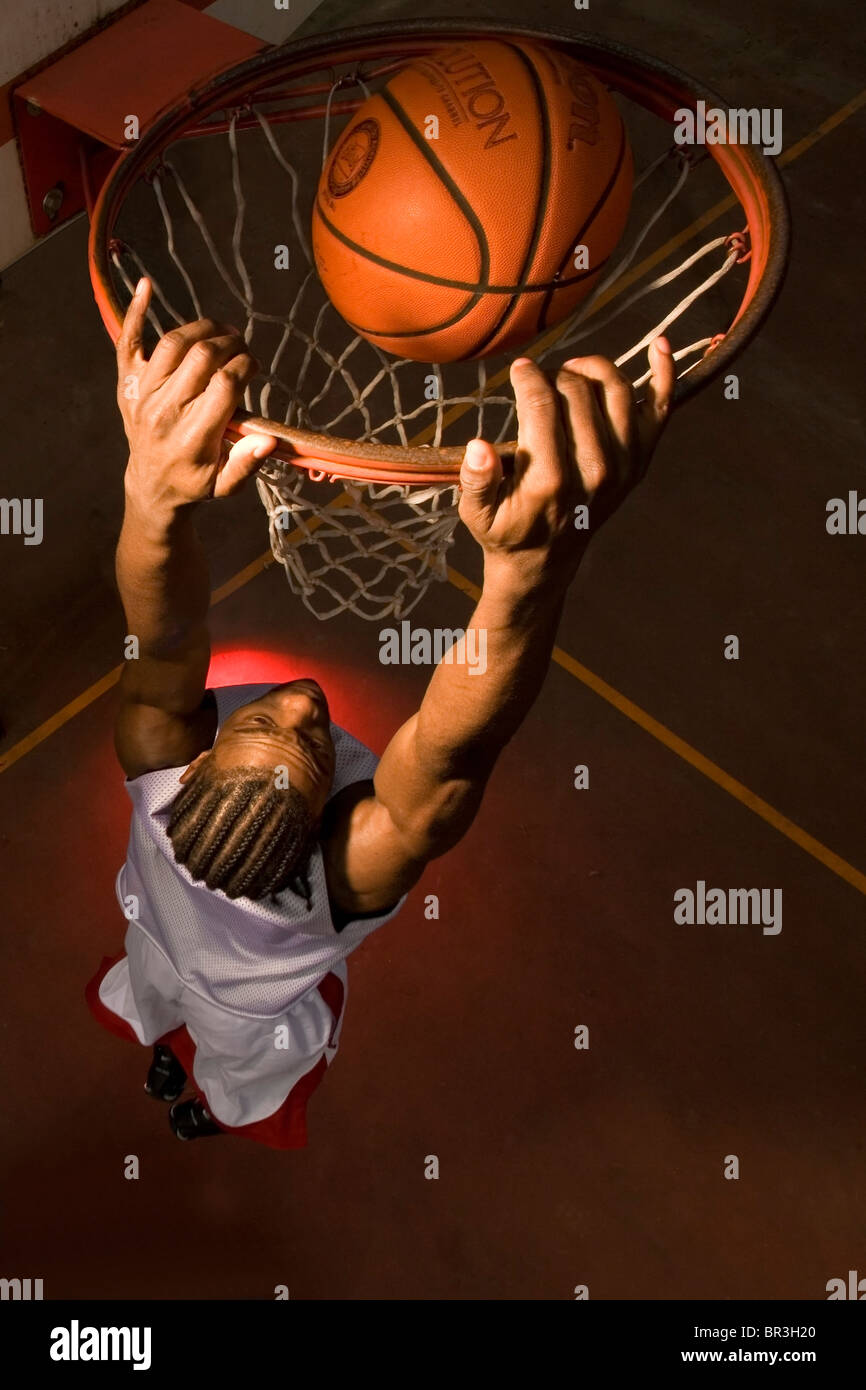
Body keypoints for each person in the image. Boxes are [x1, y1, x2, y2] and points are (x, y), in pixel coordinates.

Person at [86, 276, 674, 1145]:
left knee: (153, 987)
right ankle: (214, 1103)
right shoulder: (337, 884)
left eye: (264, 722)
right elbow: (443, 763)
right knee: (249, 1066)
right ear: (322, 824)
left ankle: (167, 1049)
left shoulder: (155, 777)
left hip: (159, 941)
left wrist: (152, 496)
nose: (299, 701)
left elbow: (161, 636)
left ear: (197, 769)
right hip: (248, 1010)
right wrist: (523, 583)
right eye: (313, 743)